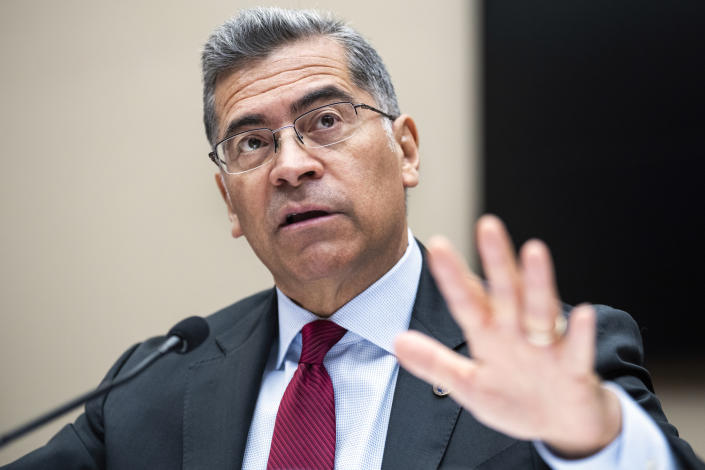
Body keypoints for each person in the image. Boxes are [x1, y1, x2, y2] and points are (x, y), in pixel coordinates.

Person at [3, 7, 703, 470]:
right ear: (230, 202)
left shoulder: (553, 357)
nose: (290, 164)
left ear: (405, 150)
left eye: (326, 120)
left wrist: (591, 443)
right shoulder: (151, 384)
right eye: (250, 142)